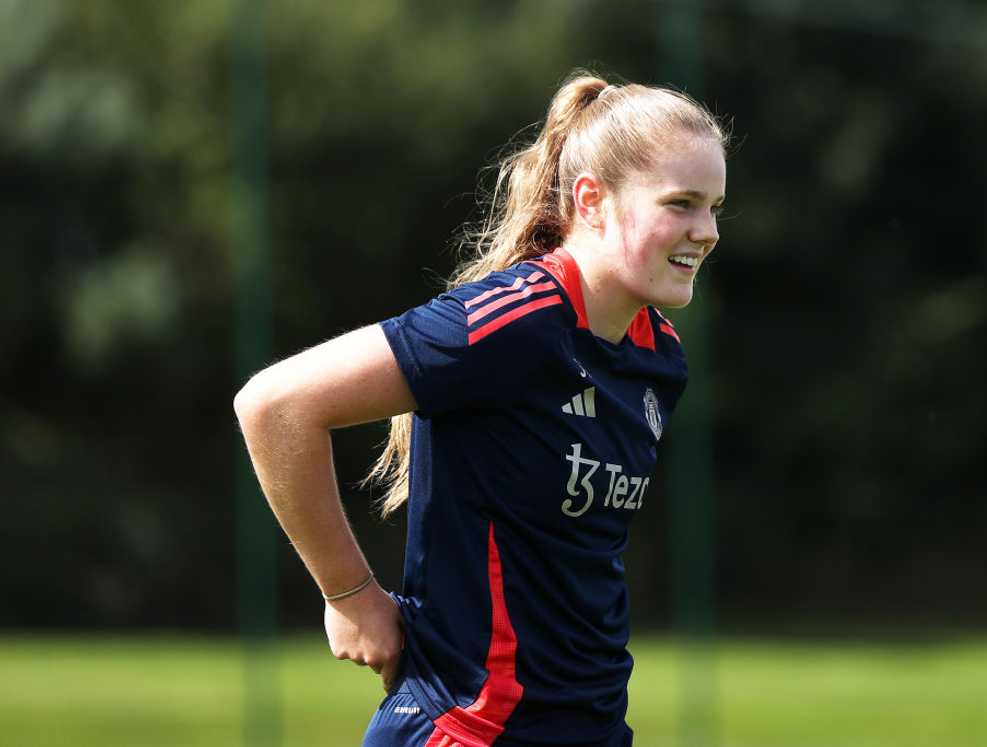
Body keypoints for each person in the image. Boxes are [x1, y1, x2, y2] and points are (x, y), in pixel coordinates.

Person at [234, 69, 727, 747]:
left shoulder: (657, 353)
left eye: (715, 207)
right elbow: (275, 405)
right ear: (593, 200)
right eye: (682, 203)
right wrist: (350, 596)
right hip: (471, 728)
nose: (707, 231)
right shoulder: (515, 318)